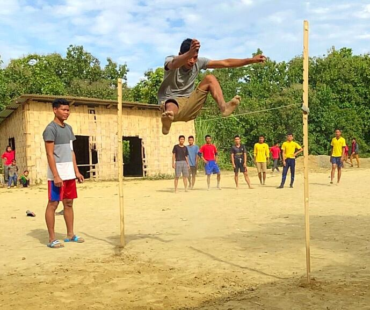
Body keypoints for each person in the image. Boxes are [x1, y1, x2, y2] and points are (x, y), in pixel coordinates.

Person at [158, 38, 266, 134]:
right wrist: (189, 53)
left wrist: (251, 60)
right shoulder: (170, 60)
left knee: (210, 78)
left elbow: (225, 63)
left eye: (194, 57)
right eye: (188, 57)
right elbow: (174, 64)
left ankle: (224, 108)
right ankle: (168, 118)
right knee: (172, 104)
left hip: (190, 104)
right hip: (170, 103)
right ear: (180, 54)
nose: (192, 61)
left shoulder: (199, 62)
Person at [42, 98, 85, 249]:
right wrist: (55, 175)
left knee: (69, 203)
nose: (67, 112)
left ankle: (70, 234)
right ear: (55, 110)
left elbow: (71, 151)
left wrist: (77, 171)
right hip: (57, 174)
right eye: (63, 110)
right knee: (53, 204)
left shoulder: (69, 128)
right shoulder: (50, 129)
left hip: (69, 174)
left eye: (68, 110)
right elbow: (49, 154)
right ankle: (52, 239)